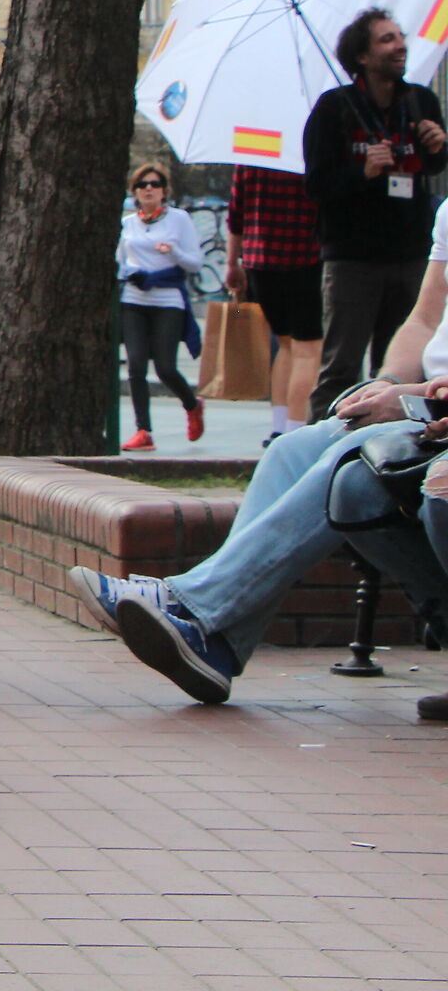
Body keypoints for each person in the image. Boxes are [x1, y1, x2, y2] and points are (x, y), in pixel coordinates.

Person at [73, 197, 448, 707]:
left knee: (353, 461)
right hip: (422, 404)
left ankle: (193, 604)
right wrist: (387, 382)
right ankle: (220, 645)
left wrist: (417, 398)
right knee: (291, 450)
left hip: (437, 412)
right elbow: (424, 320)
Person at [305, 8, 448, 416]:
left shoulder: (419, 100)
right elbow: (317, 186)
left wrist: (438, 149)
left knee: (400, 363)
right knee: (341, 366)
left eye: (400, 36)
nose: (400, 45)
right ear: (362, 56)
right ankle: (325, 437)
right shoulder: (334, 108)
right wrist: (362, 172)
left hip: (411, 251)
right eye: (386, 39)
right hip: (353, 258)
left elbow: (432, 168)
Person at [226, 165, 323, 443]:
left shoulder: (253, 153)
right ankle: (296, 429)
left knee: (286, 344)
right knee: (308, 349)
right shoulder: (304, 154)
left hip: (260, 260)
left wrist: (233, 263)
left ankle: (279, 425)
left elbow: (236, 214)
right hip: (306, 256)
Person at [116, 164, 206, 451]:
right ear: (135, 192)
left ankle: (192, 405)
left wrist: (173, 251)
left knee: (166, 367)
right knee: (136, 365)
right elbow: (120, 261)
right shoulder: (129, 223)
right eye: (142, 185)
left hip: (168, 300)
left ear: (165, 190)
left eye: (155, 184)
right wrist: (131, 274)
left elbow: (195, 263)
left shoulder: (178, 219)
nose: (148, 189)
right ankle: (143, 431)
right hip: (134, 300)